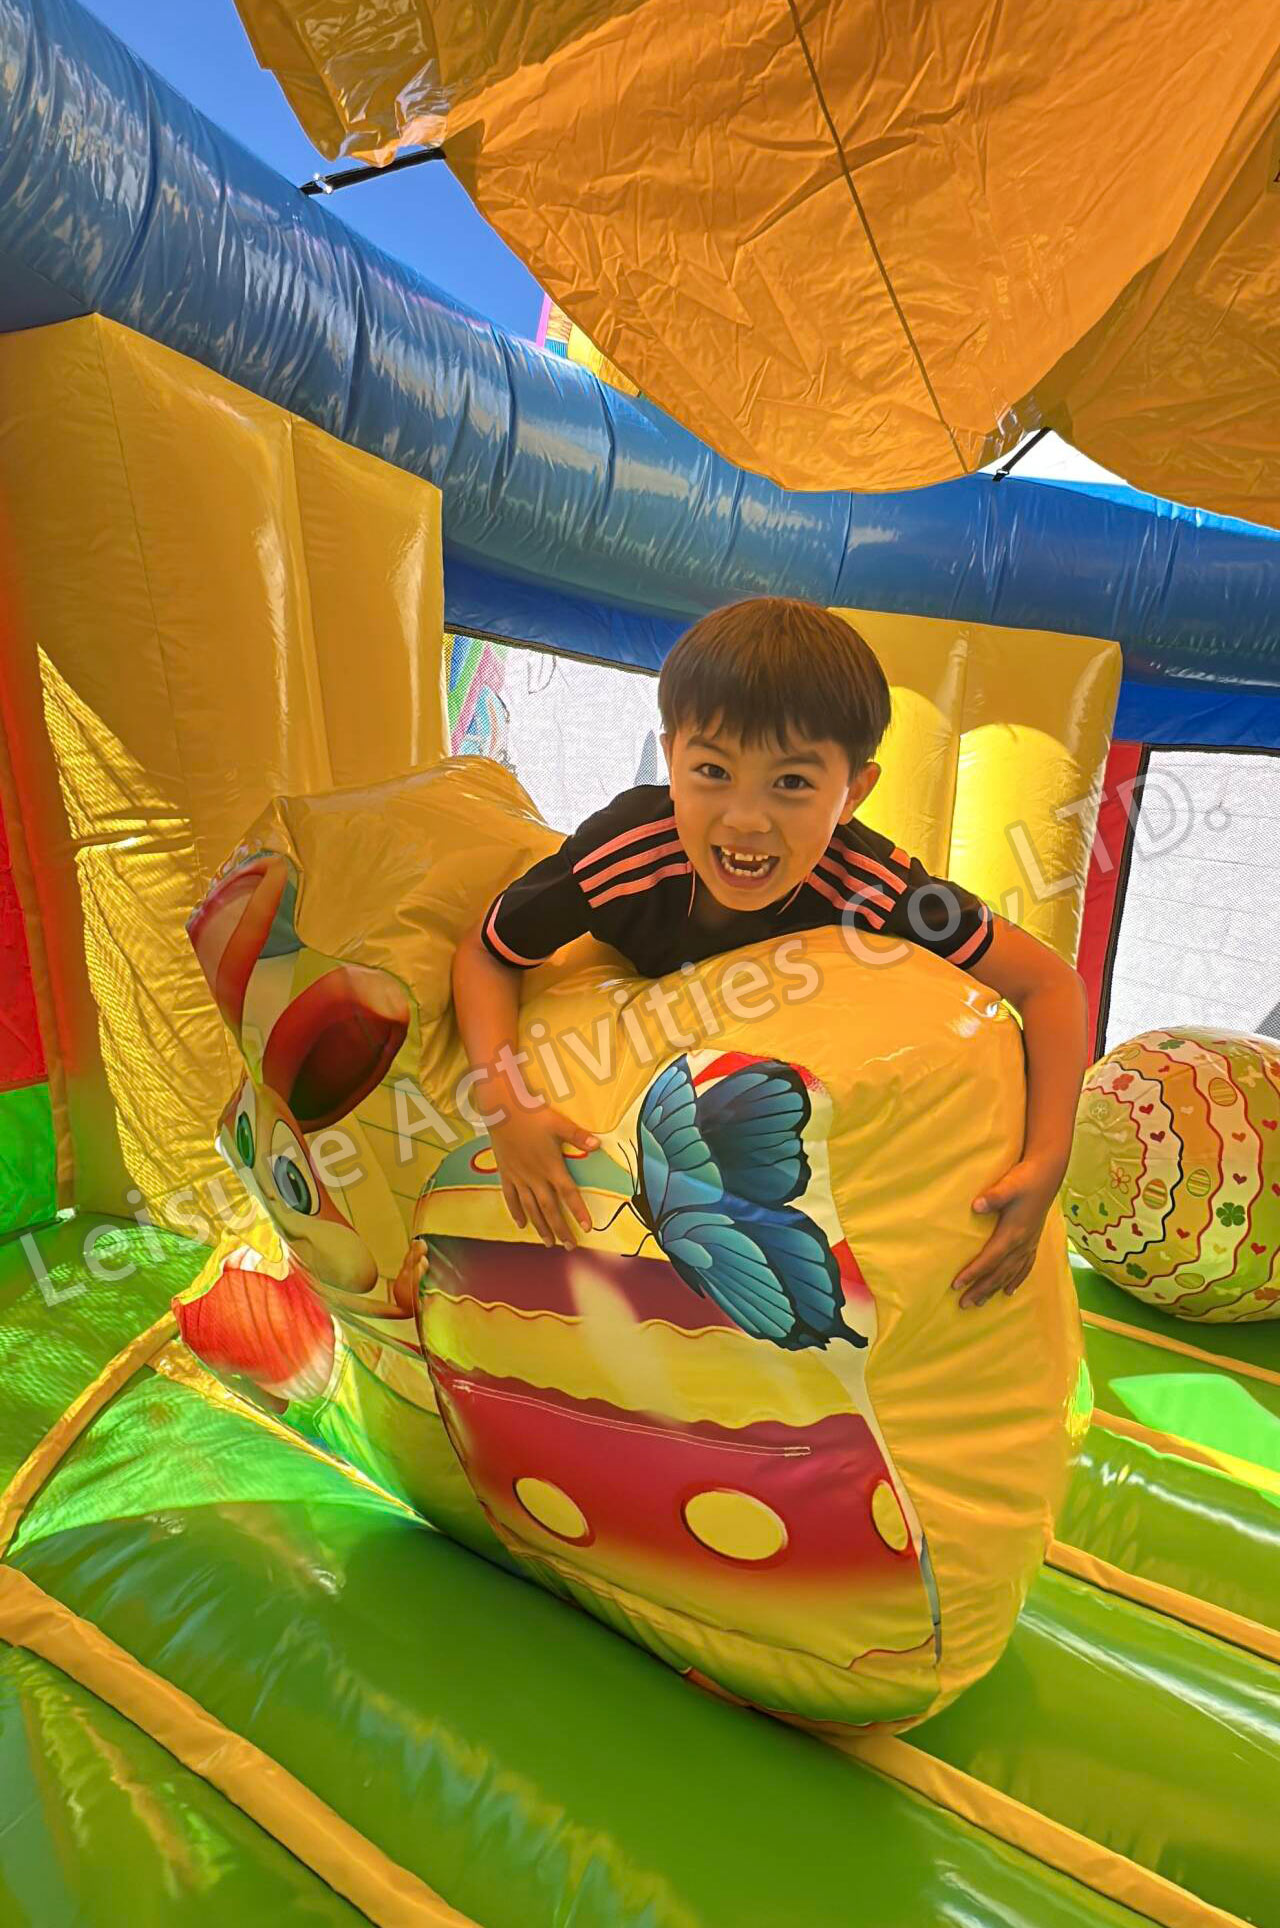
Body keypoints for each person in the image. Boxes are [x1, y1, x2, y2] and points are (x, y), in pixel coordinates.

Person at [452, 597, 1089, 1310]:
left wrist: (1047, 1161)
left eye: (791, 783)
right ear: (671, 759)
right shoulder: (626, 854)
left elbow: (1048, 985)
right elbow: (488, 951)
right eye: (713, 771)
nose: (746, 819)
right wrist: (506, 1107)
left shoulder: (873, 885)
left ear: (853, 793)